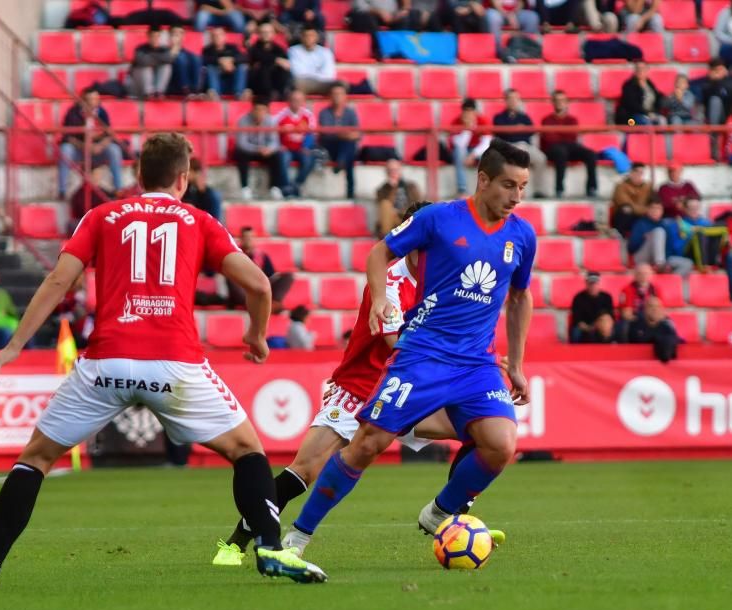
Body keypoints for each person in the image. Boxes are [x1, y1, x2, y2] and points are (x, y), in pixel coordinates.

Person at [0, 132, 326, 590]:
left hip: (107, 363)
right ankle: (271, 548)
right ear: (183, 179)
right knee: (247, 452)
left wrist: (15, 345)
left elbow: (59, 282)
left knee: (36, 459)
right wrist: (256, 336)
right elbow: (259, 285)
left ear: (138, 175)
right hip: (174, 364)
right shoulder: (199, 220)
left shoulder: (101, 215)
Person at [281, 139, 536, 558]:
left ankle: (440, 512)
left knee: (501, 443)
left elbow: (521, 297)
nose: (516, 196)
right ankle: (299, 536)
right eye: (508, 185)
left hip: (477, 364)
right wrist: (381, 298)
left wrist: (519, 365)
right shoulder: (439, 219)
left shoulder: (522, 235)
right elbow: (380, 253)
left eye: (523, 187)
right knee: (367, 444)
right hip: (423, 356)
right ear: (483, 179)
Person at [216, 201, 476, 562]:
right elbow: (397, 345)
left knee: (480, 430)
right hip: (362, 388)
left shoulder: (447, 280)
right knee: (304, 470)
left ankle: (452, 522)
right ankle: (235, 543)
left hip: (411, 389)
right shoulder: (389, 281)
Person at [58, 88, 124, 198]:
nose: (93, 102)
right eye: (90, 99)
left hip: (97, 150)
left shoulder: (102, 112)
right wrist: (85, 146)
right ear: (83, 101)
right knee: (65, 149)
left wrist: (100, 146)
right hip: (79, 150)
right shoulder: (73, 112)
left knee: (114, 149)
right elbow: (67, 137)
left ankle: (119, 189)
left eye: (96, 99)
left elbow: (109, 135)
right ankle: (62, 190)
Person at [492, 88, 548, 198]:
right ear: (506, 100)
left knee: (541, 158)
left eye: (515, 99)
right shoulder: (499, 117)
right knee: (518, 156)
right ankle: (517, 192)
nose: (513, 101)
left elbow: (530, 133)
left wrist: (515, 131)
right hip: (508, 147)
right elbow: (502, 134)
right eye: (510, 98)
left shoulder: (524, 117)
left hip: (525, 146)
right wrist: (517, 129)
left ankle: (538, 190)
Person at [541, 90, 598, 198]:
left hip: (569, 147)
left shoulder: (572, 120)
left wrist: (557, 134)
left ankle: (592, 188)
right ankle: (559, 190)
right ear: (552, 102)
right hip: (553, 149)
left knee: (590, 154)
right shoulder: (546, 120)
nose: (559, 103)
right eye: (557, 100)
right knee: (560, 153)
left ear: (567, 102)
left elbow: (572, 137)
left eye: (562, 100)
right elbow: (549, 139)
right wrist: (563, 136)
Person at [234, 97, 290, 200]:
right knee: (240, 154)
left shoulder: (271, 121)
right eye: (257, 109)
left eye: (262, 110)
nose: (259, 112)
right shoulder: (243, 120)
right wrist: (258, 149)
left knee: (278, 155)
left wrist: (268, 149)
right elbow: (242, 143)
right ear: (252, 109)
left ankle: (275, 188)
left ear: (266, 111)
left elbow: (275, 142)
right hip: (250, 151)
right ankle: (245, 188)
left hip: (265, 152)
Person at [230, 226, 295, 309]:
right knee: (231, 279)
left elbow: (270, 275)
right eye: (246, 237)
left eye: (250, 237)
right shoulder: (235, 254)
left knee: (288, 276)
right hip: (244, 288)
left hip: (260, 285)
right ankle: (249, 304)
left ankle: (273, 303)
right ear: (241, 238)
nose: (248, 240)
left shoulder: (262, 256)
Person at [628, 198, 694, 275]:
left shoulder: (665, 225)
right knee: (659, 231)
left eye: (658, 208)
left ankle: (669, 282)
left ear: (662, 211)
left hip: (663, 259)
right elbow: (631, 248)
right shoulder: (641, 223)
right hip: (642, 257)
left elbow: (669, 248)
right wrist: (644, 238)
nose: (655, 211)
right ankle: (660, 264)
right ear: (648, 210)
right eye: (653, 208)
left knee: (687, 263)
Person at [318, 82, 360, 199]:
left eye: (340, 94)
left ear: (345, 96)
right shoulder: (324, 113)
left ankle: (341, 162)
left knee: (349, 149)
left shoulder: (350, 112)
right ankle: (350, 192)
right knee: (349, 149)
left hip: (345, 147)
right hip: (329, 147)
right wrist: (345, 134)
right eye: (334, 94)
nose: (337, 96)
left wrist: (341, 134)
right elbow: (327, 133)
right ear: (330, 96)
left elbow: (357, 134)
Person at [274, 89, 318, 198]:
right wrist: (279, 145)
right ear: (289, 101)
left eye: (299, 100)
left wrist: (306, 146)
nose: (296, 103)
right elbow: (273, 132)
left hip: (301, 149)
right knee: (282, 157)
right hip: (286, 148)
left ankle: (296, 185)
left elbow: (311, 134)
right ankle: (285, 186)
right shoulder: (281, 115)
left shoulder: (308, 116)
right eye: (294, 100)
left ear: (303, 101)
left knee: (310, 158)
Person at [449, 99, 493, 196]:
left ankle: (484, 188)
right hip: (462, 151)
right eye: (466, 112)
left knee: (487, 155)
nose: (468, 115)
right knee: (459, 152)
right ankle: (462, 189)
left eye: (471, 111)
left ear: (475, 112)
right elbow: (459, 144)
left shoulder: (483, 120)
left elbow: (486, 143)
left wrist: (472, 155)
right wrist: (467, 128)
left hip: (476, 151)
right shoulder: (456, 122)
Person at [375, 159, 421, 238]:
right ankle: (387, 241)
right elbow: (383, 210)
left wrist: (400, 212)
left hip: (407, 219)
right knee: (385, 204)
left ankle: (388, 243)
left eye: (395, 170)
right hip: (391, 222)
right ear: (387, 173)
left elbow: (417, 205)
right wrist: (393, 188)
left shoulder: (411, 186)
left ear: (400, 170)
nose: (393, 173)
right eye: (390, 170)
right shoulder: (382, 190)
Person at [247, 22, 292, 100]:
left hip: (275, 82)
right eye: (263, 32)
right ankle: (270, 94)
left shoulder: (278, 49)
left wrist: (278, 62)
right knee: (264, 67)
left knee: (283, 70)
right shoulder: (254, 48)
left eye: (268, 32)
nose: (266, 34)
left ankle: (282, 93)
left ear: (273, 34)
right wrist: (276, 60)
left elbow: (285, 63)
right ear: (259, 34)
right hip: (258, 83)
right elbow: (259, 57)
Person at [288, 25, 336, 96]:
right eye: (306, 36)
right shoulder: (293, 51)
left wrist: (309, 75)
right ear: (301, 37)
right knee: (296, 83)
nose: (309, 38)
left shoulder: (326, 52)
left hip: (323, 84)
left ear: (317, 37)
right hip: (304, 84)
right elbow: (297, 74)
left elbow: (329, 75)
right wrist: (318, 74)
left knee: (341, 85)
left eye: (311, 35)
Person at [202, 26, 248, 99]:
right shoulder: (207, 50)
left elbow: (244, 58)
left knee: (241, 67)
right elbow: (204, 60)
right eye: (215, 35)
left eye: (220, 35)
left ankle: (239, 94)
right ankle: (215, 94)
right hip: (216, 81)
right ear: (211, 38)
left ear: (224, 37)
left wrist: (232, 61)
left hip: (232, 80)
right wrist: (220, 61)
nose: (217, 37)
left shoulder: (232, 48)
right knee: (211, 68)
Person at [569, 270, 615, 342]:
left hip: (602, 324)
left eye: (595, 283)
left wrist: (600, 325)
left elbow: (610, 316)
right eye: (590, 283)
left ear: (599, 284)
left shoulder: (607, 297)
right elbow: (577, 320)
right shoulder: (578, 298)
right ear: (586, 283)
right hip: (584, 327)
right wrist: (589, 328)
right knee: (576, 332)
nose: (593, 286)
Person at [695, 58, 732, 129]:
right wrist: (712, 82)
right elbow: (696, 89)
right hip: (708, 116)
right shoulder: (705, 82)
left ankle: (714, 131)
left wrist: (717, 82)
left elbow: (731, 94)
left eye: (720, 69)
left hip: (727, 115)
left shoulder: (730, 82)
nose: (717, 72)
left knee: (715, 100)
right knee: (713, 100)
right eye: (715, 70)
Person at [615, 61, 663, 126]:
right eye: (638, 68)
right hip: (631, 118)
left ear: (647, 70)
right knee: (645, 122)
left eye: (643, 68)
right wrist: (647, 114)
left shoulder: (650, 85)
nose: (640, 71)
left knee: (662, 120)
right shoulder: (628, 85)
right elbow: (632, 105)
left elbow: (658, 101)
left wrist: (654, 113)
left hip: (649, 114)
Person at [130, 26, 173, 100]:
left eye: (157, 36)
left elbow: (169, 59)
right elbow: (143, 61)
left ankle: (159, 92)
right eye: (153, 36)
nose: (155, 39)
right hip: (138, 83)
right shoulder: (141, 49)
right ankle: (149, 93)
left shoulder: (164, 49)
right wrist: (159, 59)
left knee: (166, 67)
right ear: (148, 36)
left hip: (155, 80)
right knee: (146, 67)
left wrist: (151, 57)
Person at [611, 162, 651, 237]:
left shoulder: (648, 187)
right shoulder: (621, 186)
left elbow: (654, 203)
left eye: (641, 173)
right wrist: (646, 210)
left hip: (641, 216)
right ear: (631, 173)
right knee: (626, 210)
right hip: (628, 217)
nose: (639, 175)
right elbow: (626, 203)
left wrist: (649, 210)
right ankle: (619, 236)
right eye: (637, 172)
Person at [165, 25, 202, 97]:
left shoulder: (189, 55)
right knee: (181, 58)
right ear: (170, 36)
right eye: (175, 33)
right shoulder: (164, 51)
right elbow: (166, 61)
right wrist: (174, 48)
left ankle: (195, 90)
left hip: (189, 87)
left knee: (197, 59)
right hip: (172, 85)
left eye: (181, 33)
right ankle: (186, 90)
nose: (178, 35)